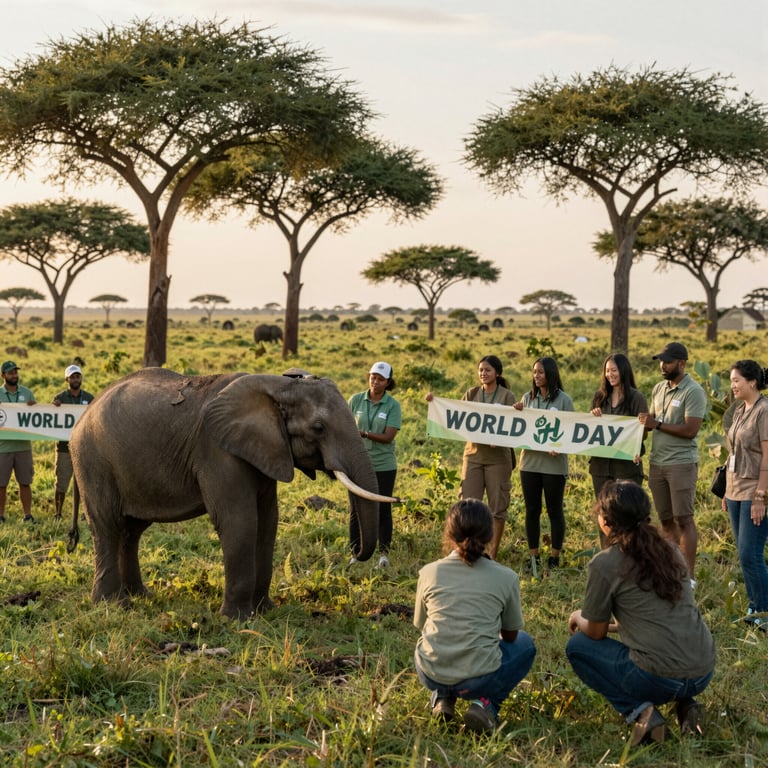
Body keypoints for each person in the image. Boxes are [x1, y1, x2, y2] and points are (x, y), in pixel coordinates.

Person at [566, 481, 715, 746]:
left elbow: (596, 631)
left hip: (658, 679)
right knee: (667, 650)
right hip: (703, 669)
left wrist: (579, 616)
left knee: (578, 647)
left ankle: (642, 713)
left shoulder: (605, 563)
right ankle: (687, 706)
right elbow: (650, 617)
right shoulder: (671, 550)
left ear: (607, 522)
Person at [414, 498, 536, 732]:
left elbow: (421, 624)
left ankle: (442, 698)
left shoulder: (428, 572)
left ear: (449, 534)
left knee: (433, 639)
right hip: (479, 678)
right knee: (525, 644)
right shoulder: (506, 577)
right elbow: (510, 637)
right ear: (490, 535)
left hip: (431, 672)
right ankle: (485, 705)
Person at [638, 342, 707, 585]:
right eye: (661, 361)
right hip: (657, 463)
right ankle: (670, 570)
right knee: (665, 519)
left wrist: (655, 424)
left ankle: (687, 576)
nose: (662, 366)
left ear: (682, 363)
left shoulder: (693, 391)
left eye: (667, 362)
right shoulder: (658, 389)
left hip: (681, 464)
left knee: (684, 519)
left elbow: (690, 429)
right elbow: (649, 422)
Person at [513, 357, 574, 572]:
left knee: (554, 510)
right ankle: (534, 557)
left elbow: (571, 430)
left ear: (550, 373)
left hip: (554, 466)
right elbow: (520, 427)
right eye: (534, 372)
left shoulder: (564, 400)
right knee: (532, 510)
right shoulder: (527, 399)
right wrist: (516, 411)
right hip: (529, 464)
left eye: (540, 372)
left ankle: (555, 557)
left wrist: (560, 445)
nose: (536, 376)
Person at [457, 355, 517, 559]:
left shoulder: (507, 396)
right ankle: (467, 550)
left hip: (498, 459)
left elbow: (513, 425)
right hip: (473, 456)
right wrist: (434, 402)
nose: (483, 373)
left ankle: (492, 554)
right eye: (481, 369)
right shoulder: (471, 393)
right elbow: (459, 419)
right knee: (467, 505)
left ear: (497, 373)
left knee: (497, 509)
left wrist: (499, 437)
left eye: (488, 370)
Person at [723, 360, 768, 631]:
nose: (733, 385)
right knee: (743, 555)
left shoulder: (764, 411)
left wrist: (761, 496)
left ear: (752, 382)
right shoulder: (740, 410)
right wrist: (726, 492)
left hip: (754, 491)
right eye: (730, 381)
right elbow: (733, 454)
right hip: (734, 490)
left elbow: (766, 458)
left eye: (737, 380)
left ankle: (763, 611)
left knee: (750, 554)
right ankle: (755, 605)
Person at [348, 361, 401, 568]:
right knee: (356, 509)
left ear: (388, 382)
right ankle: (355, 552)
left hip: (383, 464)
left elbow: (388, 436)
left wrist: (364, 434)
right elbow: (345, 428)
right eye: (372, 377)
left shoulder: (392, 406)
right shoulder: (355, 400)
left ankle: (383, 554)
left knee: (382, 508)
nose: (375, 382)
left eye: (380, 379)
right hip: (358, 463)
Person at [52, 364, 95, 518]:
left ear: (81, 378)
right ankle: (58, 512)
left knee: (86, 482)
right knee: (61, 483)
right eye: (72, 377)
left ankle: (86, 513)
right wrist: (54, 407)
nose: (75, 379)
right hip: (64, 448)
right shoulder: (60, 398)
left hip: (84, 448)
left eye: (78, 376)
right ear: (67, 379)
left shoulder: (90, 399)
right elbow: (51, 418)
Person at [0, 361, 37, 523]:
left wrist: (34, 408)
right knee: (1, 484)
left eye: (15, 372)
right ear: (3, 376)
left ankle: (27, 515)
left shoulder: (27, 393)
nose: (14, 375)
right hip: (3, 447)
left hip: (23, 447)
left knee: (25, 482)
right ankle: (0, 515)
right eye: (10, 373)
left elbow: (37, 415)